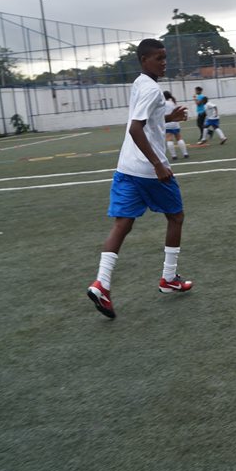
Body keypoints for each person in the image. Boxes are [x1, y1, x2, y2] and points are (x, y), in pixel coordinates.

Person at [87, 39, 193, 320]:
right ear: (144, 59)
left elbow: (146, 121)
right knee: (176, 217)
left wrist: (168, 116)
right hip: (148, 170)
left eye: (165, 57)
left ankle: (101, 284)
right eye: (158, 58)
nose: (164, 62)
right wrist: (158, 164)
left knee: (122, 224)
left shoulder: (139, 83)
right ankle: (168, 278)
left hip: (126, 168)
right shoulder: (152, 89)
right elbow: (136, 129)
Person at [162, 91, 190, 160]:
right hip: (175, 123)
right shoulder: (172, 103)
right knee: (179, 138)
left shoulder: (163, 103)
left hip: (167, 122)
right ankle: (185, 153)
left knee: (169, 139)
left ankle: (174, 156)